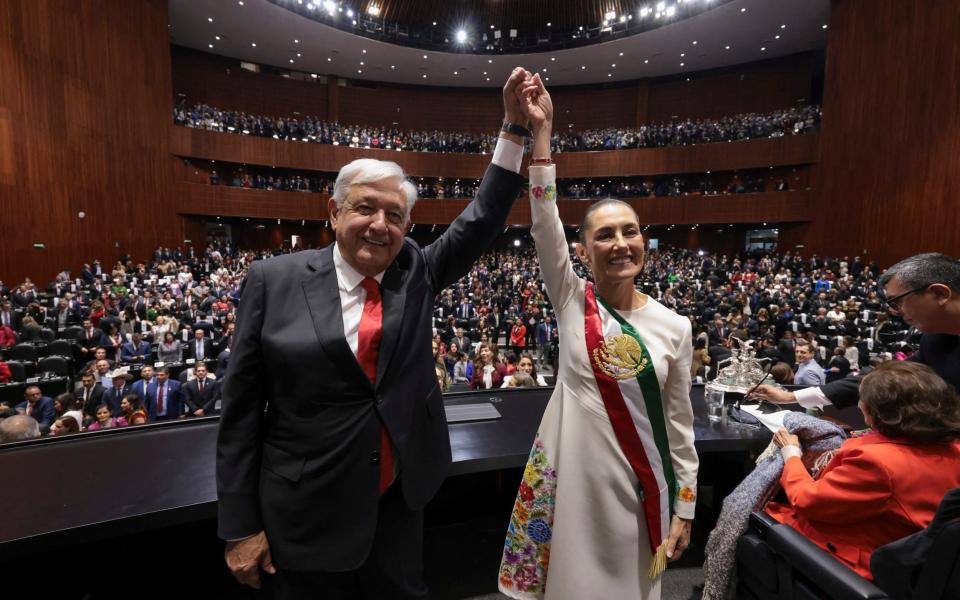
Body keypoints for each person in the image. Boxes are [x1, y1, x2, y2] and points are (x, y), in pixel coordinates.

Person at [217, 69, 529, 598]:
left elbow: (482, 218)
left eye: (395, 214)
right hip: (305, 509)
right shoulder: (274, 281)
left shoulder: (417, 273)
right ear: (334, 211)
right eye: (365, 208)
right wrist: (240, 525)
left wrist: (514, 129)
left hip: (398, 500)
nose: (380, 225)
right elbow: (241, 410)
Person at [498, 75, 697, 600]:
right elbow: (544, 223)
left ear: (644, 243)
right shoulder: (571, 299)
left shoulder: (676, 328)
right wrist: (542, 138)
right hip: (576, 489)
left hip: (641, 491)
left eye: (629, 231)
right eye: (603, 235)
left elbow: (679, 427)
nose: (619, 243)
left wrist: (685, 506)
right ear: (582, 250)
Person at [767, 361, 960, 579]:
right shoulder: (954, 448)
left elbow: (806, 501)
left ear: (886, 415)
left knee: (754, 514)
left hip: (850, 564)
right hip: (914, 563)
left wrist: (791, 454)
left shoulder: (876, 462)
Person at [752, 253, 960, 409]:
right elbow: (884, 376)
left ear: (939, 293)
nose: (896, 312)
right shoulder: (935, 340)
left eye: (897, 302)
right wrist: (791, 396)